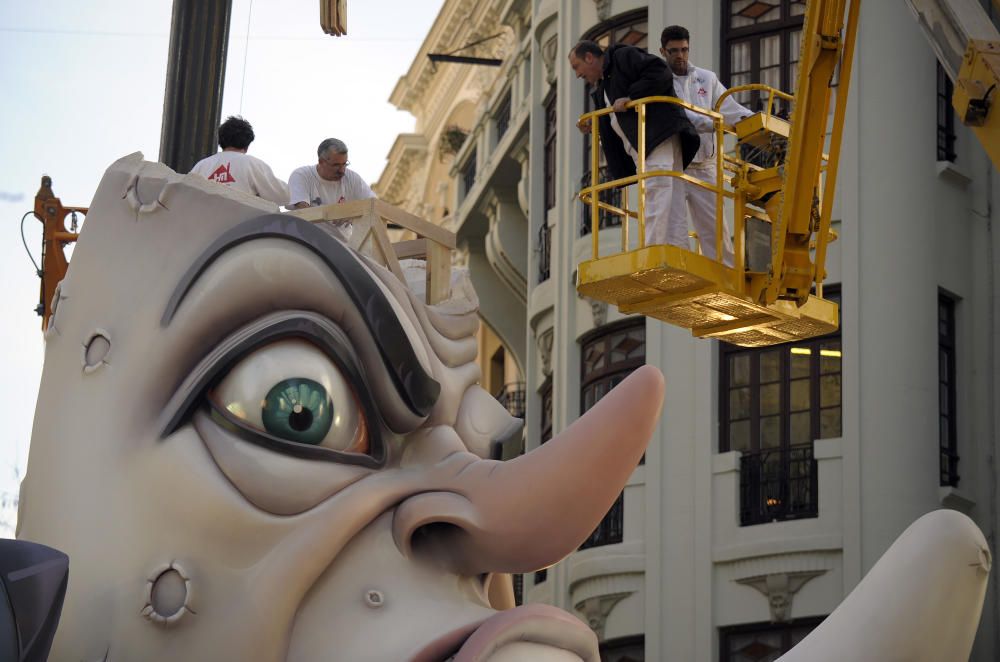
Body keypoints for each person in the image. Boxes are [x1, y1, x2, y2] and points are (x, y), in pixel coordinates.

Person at [569, 39, 707, 249]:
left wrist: (632, 96)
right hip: (647, 142)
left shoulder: (622, 57)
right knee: (672, 196)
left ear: (589, 57)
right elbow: (615, 120)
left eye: (576, 66)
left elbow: (659, 72)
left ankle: (653, 248)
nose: (578, 74)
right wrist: (595, 123)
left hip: (656, 135)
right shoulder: (603, 87)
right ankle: (677, 250)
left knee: (656, 188)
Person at [660, 25, 753, 265]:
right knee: (675, 228)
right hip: (676, 167)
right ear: (663, 51)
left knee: (716, 229)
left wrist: (756, 122)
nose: (680, 55)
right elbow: (680, 116)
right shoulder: (659, 81)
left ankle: (727, 281)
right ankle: (679, 273)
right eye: (673, 51)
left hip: (706, 165)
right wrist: (712, 123)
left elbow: (730, 109)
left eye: (684, 49)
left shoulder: (706, 78)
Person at [287, 138, 376, 242]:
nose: (342, 170)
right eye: (336, 165)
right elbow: (302, 210)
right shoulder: (302, 175)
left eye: (345, 164)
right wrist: (333, 213)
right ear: (321, 162)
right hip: (309, 241)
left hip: (344, 246)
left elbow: (374, 204)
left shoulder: (352, 178)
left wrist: (353, 212)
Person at [189, 116, 289, 206]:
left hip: (204, 224)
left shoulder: (201, 166)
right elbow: (284, 196)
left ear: (220, 140)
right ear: (247, 144)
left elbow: (185, 198)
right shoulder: (253, 164)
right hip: (242, 225)